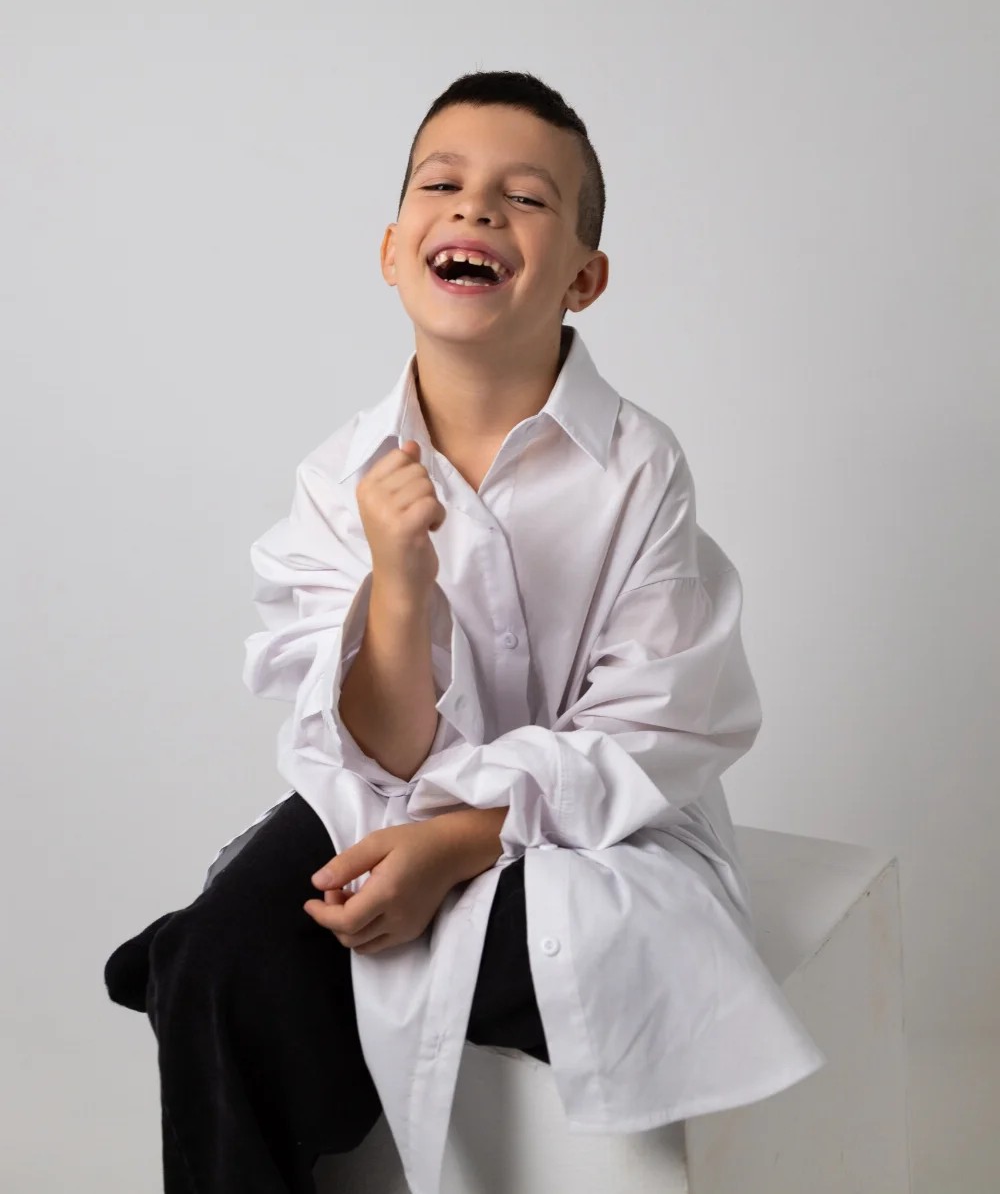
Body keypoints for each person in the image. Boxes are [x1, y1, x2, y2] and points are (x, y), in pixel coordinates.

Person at [105, 70, 827, 1194]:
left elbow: (655, 721)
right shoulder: (340, 476)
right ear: (394, 250)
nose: (477, 207)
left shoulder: (637, 467)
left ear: (583, 278)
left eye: (525, 198)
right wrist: (398, 584)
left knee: (542, 950)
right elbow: (378, 757)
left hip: (587, 819)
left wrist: (452, 848)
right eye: (441, 185)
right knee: (228, 960)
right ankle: (193, 963)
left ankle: (196, 964)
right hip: (383, 792)